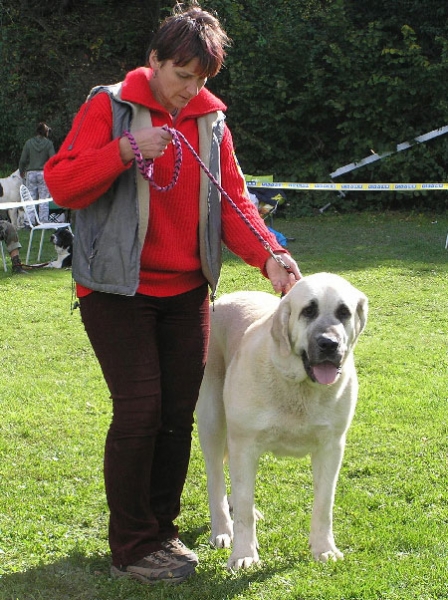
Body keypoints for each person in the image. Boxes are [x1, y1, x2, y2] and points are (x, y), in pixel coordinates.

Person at [44, 1, 302, 586]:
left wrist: (270, 257)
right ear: (154, 61)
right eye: (182, 75)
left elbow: (233, 204)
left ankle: (162, 531)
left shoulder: (212, 123)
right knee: (140, 411)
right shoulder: (107, 107)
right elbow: (63, 183)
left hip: (187, 293)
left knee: (176, 416)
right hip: (116, 290)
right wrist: (125, 151)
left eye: (202, 79)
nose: (191, 89)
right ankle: (133, 545)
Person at [19, 122, 55, 224]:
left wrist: (21, 171)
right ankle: (43, 221)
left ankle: (29, 222)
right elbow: (53, 159)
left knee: (30, 198)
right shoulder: (49, 144)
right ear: (45, 132)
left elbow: (22, 160)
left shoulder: (29, 143)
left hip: (31, 173)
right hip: (43, 174)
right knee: (43, 199)